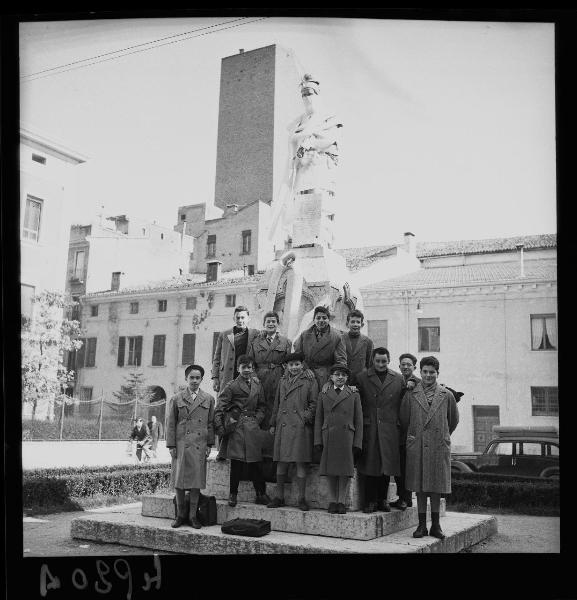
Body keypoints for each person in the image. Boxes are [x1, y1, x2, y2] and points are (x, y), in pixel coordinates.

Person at [400, 356, 459, 539]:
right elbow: (404, 419)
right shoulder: (411, 394)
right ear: (420, 372)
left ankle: (436, 526)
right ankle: (421, 526)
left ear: (437, 373)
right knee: (420, 487)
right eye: (425, 372)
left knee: (436, 486)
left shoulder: (446, 395)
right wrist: (414, 435)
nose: (428, 375)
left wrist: (442, 436)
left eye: (432, 372)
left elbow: (453, 420)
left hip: (438, 445)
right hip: (417, 444)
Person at [214, 354, 271, 507]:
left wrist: (256, 419)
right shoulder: (231, 386)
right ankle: (233, 494)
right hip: (236, 427)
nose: (247, 370)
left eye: (250, 367)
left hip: (252, 427)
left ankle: (261, 493)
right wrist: (220, 427)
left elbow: (262, 406)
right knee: (237, 463)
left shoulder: (257, 384)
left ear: (253, 369)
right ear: (238, 368)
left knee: (255, 463)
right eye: (244, 367)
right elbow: (220, 406)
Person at [356, 347, 406, 513]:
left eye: (384, 361)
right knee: (371, 465)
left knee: (387, 465)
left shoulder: (398, 379)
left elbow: (406, 398)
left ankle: (382, 500)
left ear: (389, 360)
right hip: (370, 427)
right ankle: (369, 501)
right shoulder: (362, 377)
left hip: (390, 428)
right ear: (372, 360)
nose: (380, 364)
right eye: (377, 361)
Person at [166, 364, 215, 529]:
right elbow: (170, 424)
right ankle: (180, 515)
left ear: (202, 379)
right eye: (191, 377)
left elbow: (210, 423)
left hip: (199, 445)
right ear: (186, 379)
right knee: (179, 482)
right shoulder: (176, 398)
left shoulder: (208, 399)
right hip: (181, 445)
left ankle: (193, 516)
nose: (194, 380)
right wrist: (171, 445)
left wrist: (209, 444)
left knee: (195, 482)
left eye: (197, 377)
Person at [268, 352, 318, 511]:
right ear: (286, 366)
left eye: (297, 364)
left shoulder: (310, 380)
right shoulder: (282, 381)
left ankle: (302, 498)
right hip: (283, 424)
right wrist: (273, 423)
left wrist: (305, 417)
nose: (294, 367)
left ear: (302, 365)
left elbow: (314, 403)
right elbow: (277, 403)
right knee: (281, 462)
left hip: (300, 427)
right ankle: (279, 496)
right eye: (291, 365)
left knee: (300, 462)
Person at [211, 305, 259, 459]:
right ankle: (222, 451)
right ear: (234, 318)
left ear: (248, 318)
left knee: (244, 411)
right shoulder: (225, 334)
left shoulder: (255, 334)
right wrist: (215, 378)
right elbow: (217, 357)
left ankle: (244, 449)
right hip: (227, 378)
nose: (240, 320)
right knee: (225, 411)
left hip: (245, 377)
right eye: (237, 317)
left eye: (243, 317)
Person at [314, 364, 362, 514]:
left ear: (347, 378)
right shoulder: (324, 394)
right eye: (337, 374)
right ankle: (332, 500)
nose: (340, 377)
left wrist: (357, 441)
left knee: (344, 471)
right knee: (330, 470)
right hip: (329, 434)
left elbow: (358, 420)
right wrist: (317, 439)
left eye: (343, 375)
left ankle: (341, 501)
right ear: (331, 377)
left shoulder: (353, 394)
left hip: (346, 436)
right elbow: (318, 418)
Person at [246, 311, 293, 458]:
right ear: (264, 324)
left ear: (277, 324)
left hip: (278, 380)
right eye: (268, 322)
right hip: (260, 381)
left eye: (273, 321)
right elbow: (249, 363)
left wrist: (286, 379)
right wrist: (253, 377)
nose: (271, 324)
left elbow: (289, 363)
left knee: (276, 412)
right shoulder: (255, 342)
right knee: (260, 411)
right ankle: (257, 455)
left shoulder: (286, 342)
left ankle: (274, 455)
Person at [391, 352, 420, 510]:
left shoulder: (418, 383)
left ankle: (406, 498)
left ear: (414, 367)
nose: (406, 367)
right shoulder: (397, 380)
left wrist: (414, 380)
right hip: (397, 431)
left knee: (408, 468)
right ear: (399, 366)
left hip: (412, 433)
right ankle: (403, 497)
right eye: (403, 364)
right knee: (398, 467)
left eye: (409, 364)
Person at [293, 305, 347, 391]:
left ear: (328, 320)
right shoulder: (305, 335)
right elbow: (297, 356)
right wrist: (305, 369)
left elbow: (341, 362)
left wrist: (332, 380)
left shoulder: (336, 337)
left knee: (322, 401)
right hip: (306, 375)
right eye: (318, 318)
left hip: (325, 377)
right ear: (314, 320)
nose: (321, 320)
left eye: (324, 318)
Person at [340, 309, 373, 389]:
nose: (355, 324)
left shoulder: (368, 342)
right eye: (353, 322)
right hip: (344, 381)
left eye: (358, 322)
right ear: (347, 324)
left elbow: (370, 364)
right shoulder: (341, 339)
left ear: (362, 325)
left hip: (361, 382)